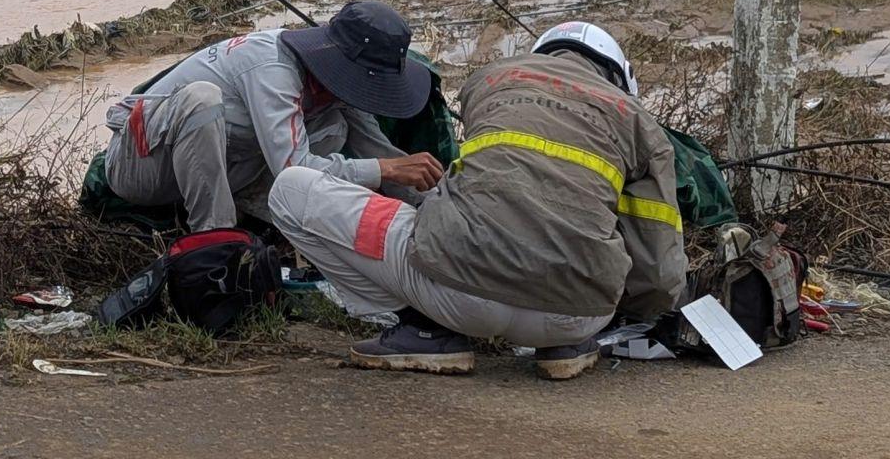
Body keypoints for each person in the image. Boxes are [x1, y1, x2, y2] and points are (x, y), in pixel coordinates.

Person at [269, 21, 687, 378]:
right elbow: (658, 270)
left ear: (540, 55)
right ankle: (566, 349)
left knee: (291, 188)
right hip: (577, 316)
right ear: (619, 78)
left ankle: (423, 328)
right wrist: (612, 310)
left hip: (455, 297)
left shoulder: (490, 81)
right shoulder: (641, 126)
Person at [104, 0, 442, 232]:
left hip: (227, 165)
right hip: (143, 165)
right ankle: (214, 237)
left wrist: (437, 204)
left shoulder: (338, 89)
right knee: (201, 100)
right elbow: (295, 169)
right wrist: (385, 169)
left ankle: (263, 212)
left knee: (334, 128)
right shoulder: (273, 69)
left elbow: (378, 151)